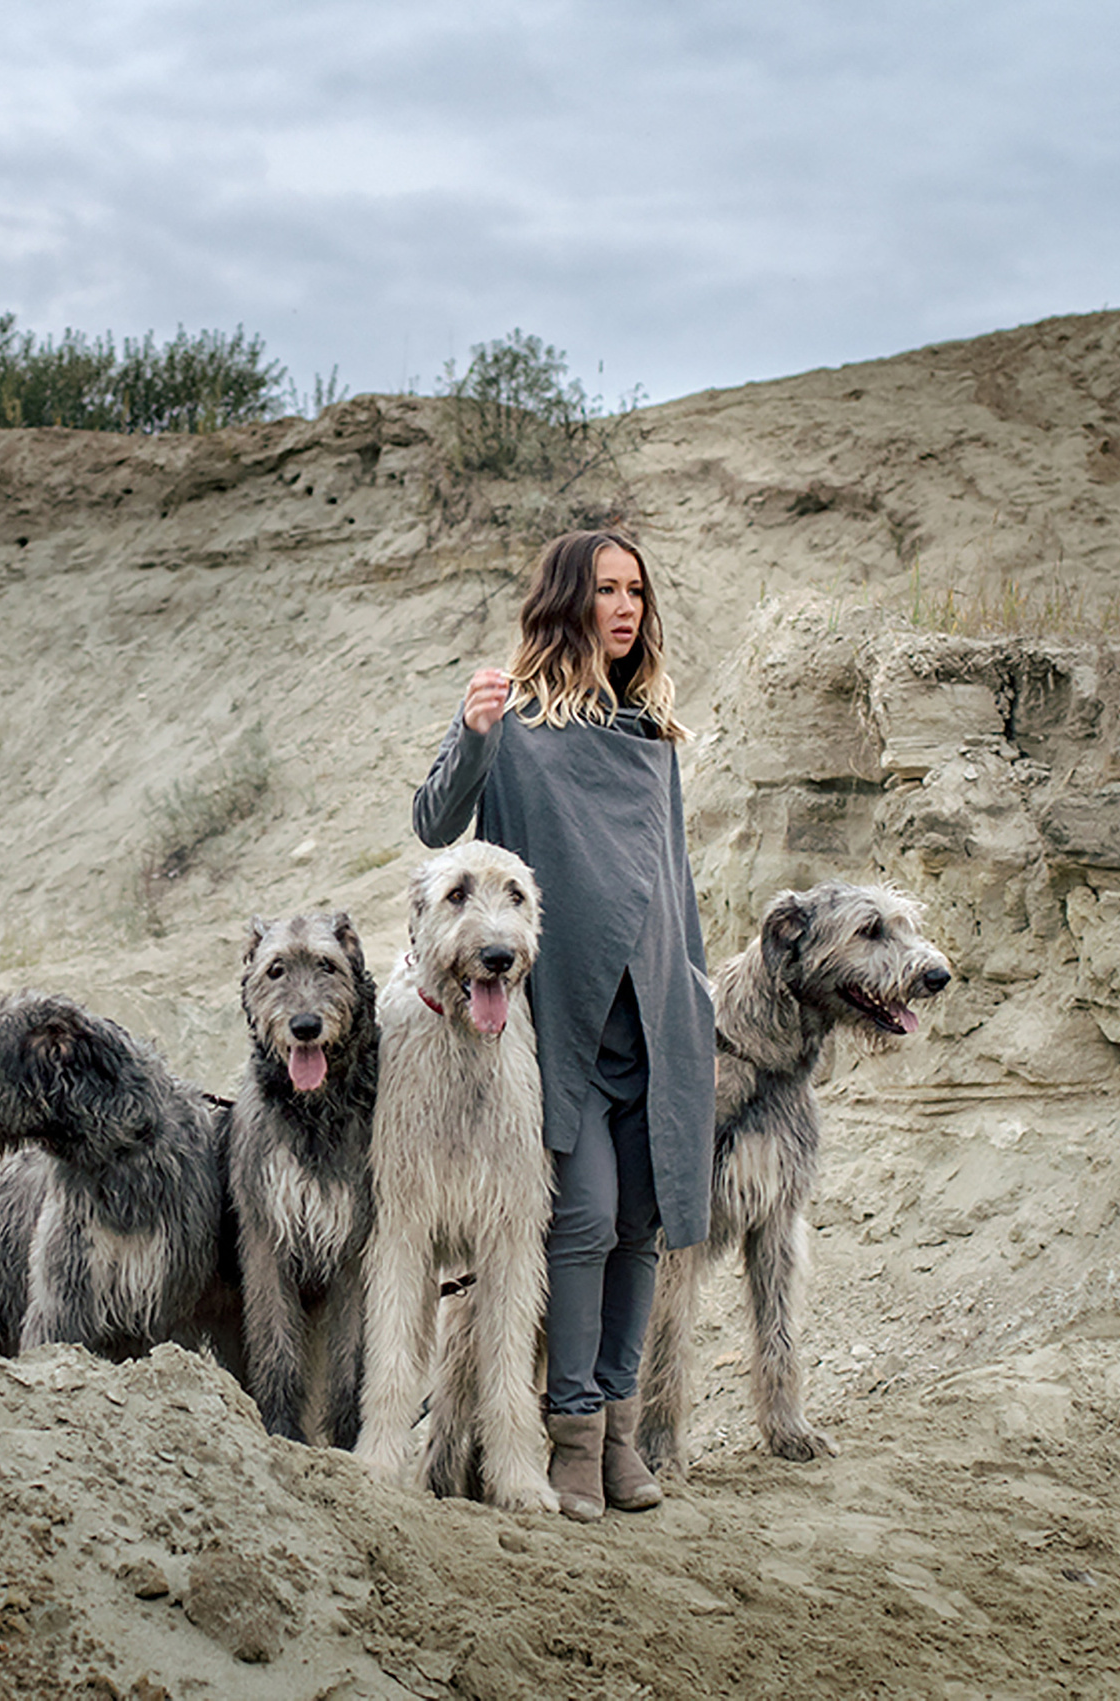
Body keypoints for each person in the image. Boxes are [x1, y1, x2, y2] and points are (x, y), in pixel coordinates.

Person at [410, 527, 715, 1522]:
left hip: (655, 1012)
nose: (624, 609)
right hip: (561, 1022)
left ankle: (621, 1439)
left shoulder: (654, 740)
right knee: (579, 1222)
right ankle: (570, 1435)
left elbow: (677, 885)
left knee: (640, 1226)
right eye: (605, 591)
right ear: (565, 603)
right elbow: (432, 820)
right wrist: (472, 729)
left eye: (636, 592)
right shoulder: (522, 734)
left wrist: (695, 995)